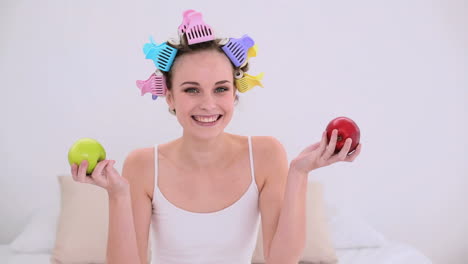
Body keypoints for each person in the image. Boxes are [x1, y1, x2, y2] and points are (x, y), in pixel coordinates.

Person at [70, 10, 362, 264]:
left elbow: (281, 260)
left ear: (234, 93)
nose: (208, 104)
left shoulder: (265, 154)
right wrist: (118, 195)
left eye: (221, 88)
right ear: (169, 96)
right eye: (191, 89)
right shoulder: (143, 164)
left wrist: (299, 173)